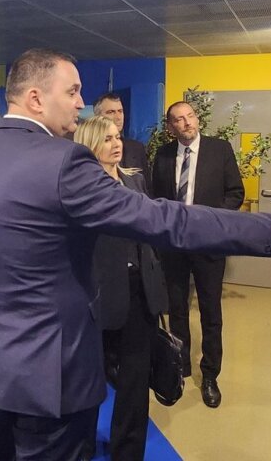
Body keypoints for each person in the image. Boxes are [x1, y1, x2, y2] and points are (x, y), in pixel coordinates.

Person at [0, 48, 271, 460]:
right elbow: (166, 220)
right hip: (54, 373)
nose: (81, 103)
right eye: (73, 91)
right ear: (35, 98)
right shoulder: (63, 162)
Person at [75, 115, 168, 461]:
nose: (116, 144)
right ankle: (79, 446)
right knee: (88, 379)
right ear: (89, 145)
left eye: (118, 137)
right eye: (107, 139)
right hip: (97, 294)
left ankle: (127, 452)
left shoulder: (135, 180)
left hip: (140, 290)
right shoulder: (81, 189)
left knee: (135, 380)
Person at [152, 100, 243, 408]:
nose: (187, 122)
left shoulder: (220, 149)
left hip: (208, 244)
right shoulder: (163, 155)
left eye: (190, 116)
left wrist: (210, 222)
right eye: (179, 119)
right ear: (171, 127)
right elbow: (157, 199)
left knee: (210, 311)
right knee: (177, 309)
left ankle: (210, 375)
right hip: (174, 247)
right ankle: (180, 367)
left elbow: (235, 193)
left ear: (197, 119)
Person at [93, 93, 150, 185]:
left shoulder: (137, 148)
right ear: (97, 117)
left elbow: (147, 189)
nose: (118, 117)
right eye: (111, 112)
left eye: (120, 111)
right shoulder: (86, 149)